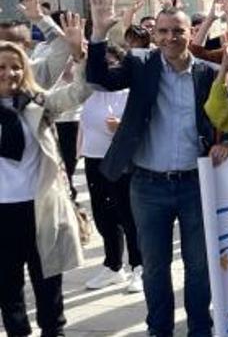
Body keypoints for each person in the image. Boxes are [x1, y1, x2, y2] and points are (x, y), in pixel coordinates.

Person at [86, 0, 224, 337]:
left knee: (198, 268)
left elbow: (225, 117)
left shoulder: (207, 72)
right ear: (155, 34)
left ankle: (199, 330)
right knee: (155, 268)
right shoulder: (140, 63)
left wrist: (227, 144)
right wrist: (99, 33)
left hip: (194, 183)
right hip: (147, 185)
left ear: (190, 33)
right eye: (162, 31)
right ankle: (158, 330)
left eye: (177, 30)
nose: (170, 37)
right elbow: (100, 79)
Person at [0, 15, 89, 337]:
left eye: (16, 66)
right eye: (1, 67)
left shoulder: (38, 104)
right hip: (2, 214)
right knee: (8, 294)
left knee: (50, 293)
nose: (10, 73)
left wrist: (79, 54)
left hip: (40, 210)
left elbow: (80, 91)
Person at [79, 43, 143, 293]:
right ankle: (113, 265)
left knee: (127, 215)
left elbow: (142, 124)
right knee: (103, 216)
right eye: (102, 63)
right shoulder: (90, 91)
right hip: (93, 158)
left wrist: (123, 127)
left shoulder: (128, 92)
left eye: (112, 62)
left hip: (119, 160)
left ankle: (139, 266)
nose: (106, 68)